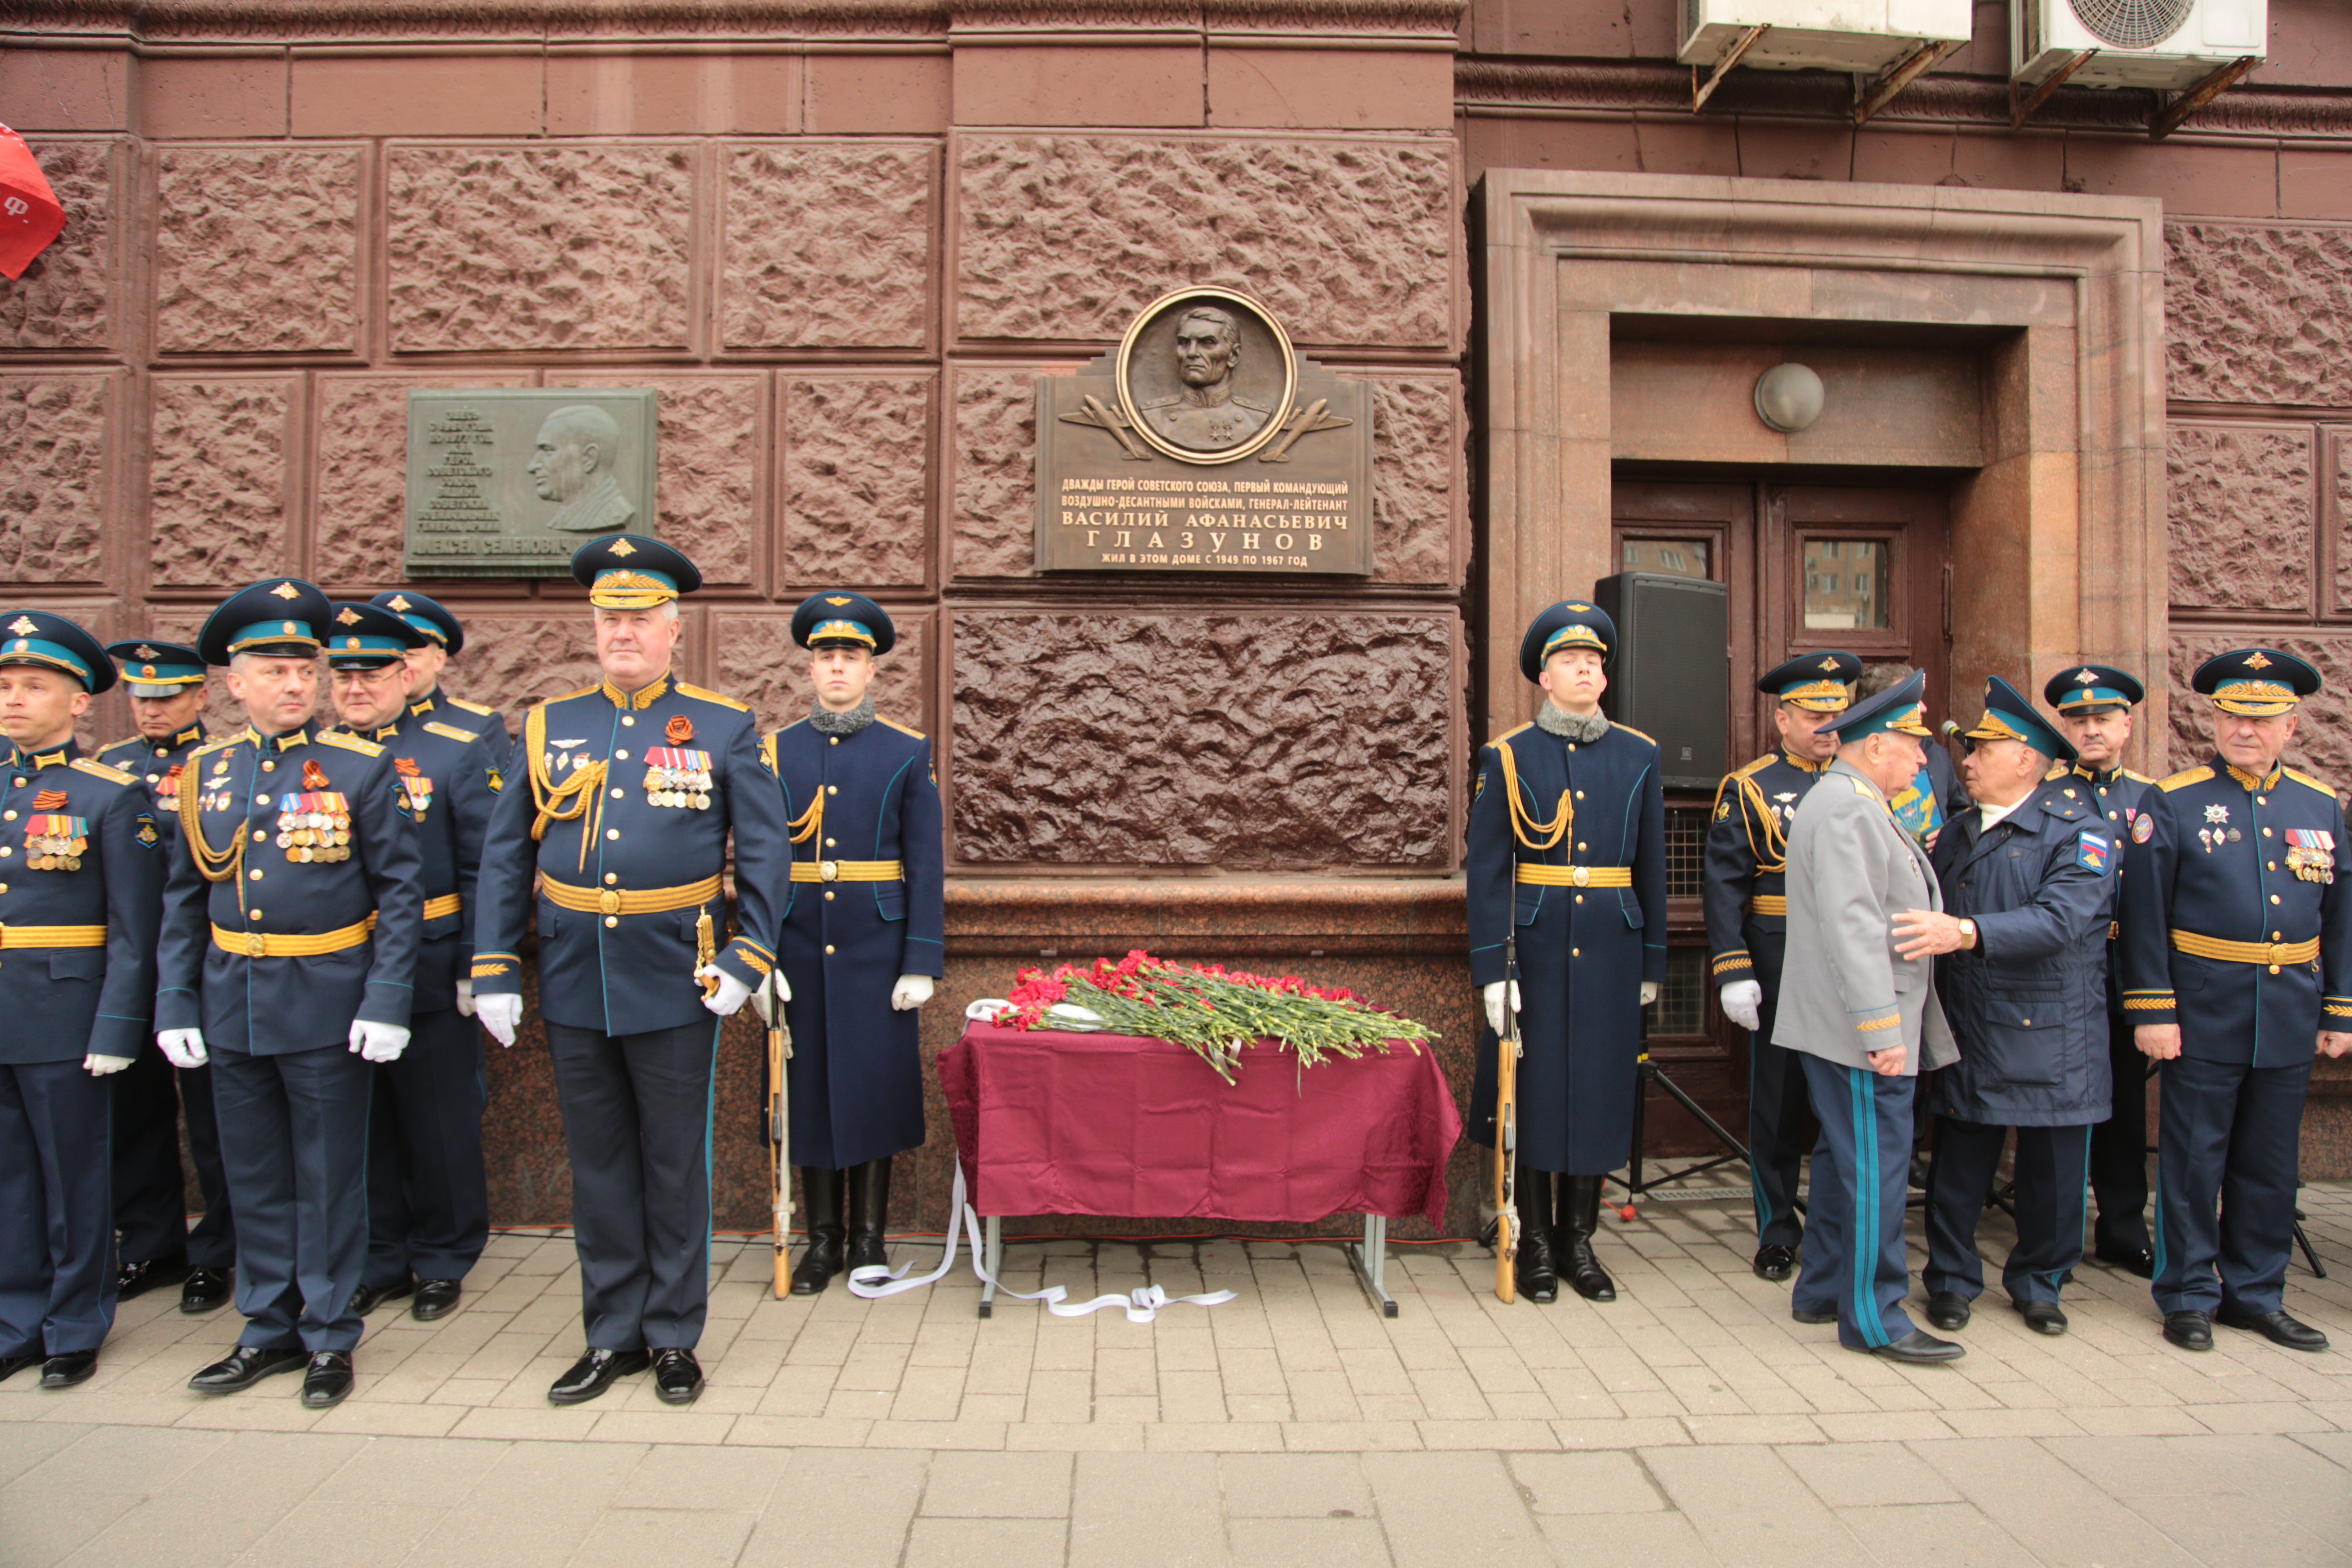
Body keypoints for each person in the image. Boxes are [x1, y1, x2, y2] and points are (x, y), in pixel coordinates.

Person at [471, 535, 785, 1406]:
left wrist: (747, 955)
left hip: (676, 974)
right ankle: (611, 1334)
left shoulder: (724, 726)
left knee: (674, 1163)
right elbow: (506, 857)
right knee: (600, 1163)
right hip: (576, 974)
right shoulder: (548, 726)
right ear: (594, 625)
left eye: (641, 619)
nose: (624, 633)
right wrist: (494, 964)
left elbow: (763, 855)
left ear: (673, 629)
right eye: (611, 618)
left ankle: (674, 1335)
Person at [158, 580, 425, 1410]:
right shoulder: (203, 773)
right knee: (254, 1175)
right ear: (233, 683)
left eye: (302, 670)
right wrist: (174, 999)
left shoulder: (359, 766)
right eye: (272, 671)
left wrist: (386, 997)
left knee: (329, 1174)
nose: (293, 685)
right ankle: (265, 1327)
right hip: (231, 998)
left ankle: (330, 1333)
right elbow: (179, 897)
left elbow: (401, 893)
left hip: (326, 1002)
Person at [2117, 647, 2351, 1354]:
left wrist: (2340, 1009)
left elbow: (2340, 916)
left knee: (2271, 1166)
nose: (2244, 731)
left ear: (2291, 725)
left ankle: (2255, 1294)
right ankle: (2188, 1294)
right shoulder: (2176, 800)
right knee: (2194, 1163)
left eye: (2262, 719)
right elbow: (2144, 916)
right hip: (2203, 1011)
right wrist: (2154, 1012)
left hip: (2286, 1013)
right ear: (2214, 721)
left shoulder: (2320, 805)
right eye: (2230, 716)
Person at [1901, 677, 2114, 1337]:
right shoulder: (1962, 829)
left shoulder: (2080, 832)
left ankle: (2041, 1283)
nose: (1965, 761)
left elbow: (2061, 920)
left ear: (2025, 758)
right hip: (1973, 1022)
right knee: (1960, 1165)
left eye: (1982, 750)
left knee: (2052, 1170)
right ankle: (1952, 1281)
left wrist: (1967, 934)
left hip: (2052, 1029)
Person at [1469, 600, 1666, 1303]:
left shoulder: (1640, 754)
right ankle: (1538, 1241)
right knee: (1541, 1097)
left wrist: (1652, 963)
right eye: (1570, 663)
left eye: (1594, 664)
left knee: (1600, 1094)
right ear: (1544, 679)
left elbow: (1651, 866)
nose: (1585, 672)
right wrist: (1494, 971)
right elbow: (1489, 871)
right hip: (1539, 949)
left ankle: (1583, 1242)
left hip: (1612, 948)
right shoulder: (1511, 754)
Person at [1776, 670, 1963, 1363]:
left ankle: (1824, 1288)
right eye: (1915, 745)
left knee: (1845, 1160)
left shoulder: (1848, 800)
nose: (1924, 760)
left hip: (1848, 1020)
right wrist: (1882, 1029)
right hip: (1860, 1026)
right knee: (1876, 1170)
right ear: (1878, 745)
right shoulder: (1850, 807)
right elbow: (1855, 926)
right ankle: (1876, 1317)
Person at [762, 592, 945, 1293]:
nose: (838, 667)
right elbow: (757, 860)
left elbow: (925, 862)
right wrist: (757, 959)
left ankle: (869, 1239)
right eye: (826, 656)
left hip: (877, 947)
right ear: (810, 668)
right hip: (797, 946)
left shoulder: (905, 751)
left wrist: (921, 960)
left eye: (852, 657)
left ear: (873, 670)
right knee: (804, 1093)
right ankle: (822, 1242)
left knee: (871, 1092)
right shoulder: (775, 750)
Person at [0, 612, 163, 1390]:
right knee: (8, 1178)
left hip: (67, 1014)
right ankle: (16, 1316)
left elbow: (136, 931)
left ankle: (73, 1324)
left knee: (73, 1179)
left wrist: (120, 1023)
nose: (14, 700)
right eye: (6, 685)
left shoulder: (108, 797)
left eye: (34, 686)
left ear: (78, 704)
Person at [325, 603, 500, 1324]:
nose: (356, 689)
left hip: (430, 961)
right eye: (344, 676)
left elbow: (487, 863)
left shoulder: (456, 746)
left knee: (437, 1120)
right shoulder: (321, 753)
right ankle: (380, 1257)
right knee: (361, 1125)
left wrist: (474, 962)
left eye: (372, 674)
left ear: (407, 673)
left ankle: (445, 1254)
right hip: (338, 968)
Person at [1706, 650, 1860, 1283]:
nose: (1827, 727)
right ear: (1783, 719)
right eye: (1813, 715)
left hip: (1852, 960)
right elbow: (1723, 884)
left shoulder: (1862, 782)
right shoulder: (1753, 787)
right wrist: (1733, 967)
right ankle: (1776, 1229)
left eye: (1838, 714)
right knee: (1778, 1101)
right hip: (1781, 954)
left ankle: (1838, 1222)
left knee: (1842, 1102)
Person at [98, 638, 234, 1314]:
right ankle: (151, 1243)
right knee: (136, 1111)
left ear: (201, 697)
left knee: (214, 1121)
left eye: (168, 696)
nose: (152, 709)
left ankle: (218, 1250)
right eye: (141, 696)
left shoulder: (220, 766)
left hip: (202, 962)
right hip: (126, 965)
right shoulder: (110, 768)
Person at [2044, 662, 2158, 1278]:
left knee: (2124, 1105)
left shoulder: (2150, 798)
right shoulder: (2048, 795)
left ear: (2126, 724)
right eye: (2078, 719)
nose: (2090, 729)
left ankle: (2121, 1226)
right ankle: (2052, 1230)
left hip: (2127, 969)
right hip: (2065, 965)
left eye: (2101, 719)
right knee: (2063, 1102)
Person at [368, 590, 506, 739]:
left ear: (438, 661)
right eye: (388, 658)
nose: (399, 666)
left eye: (409, 656)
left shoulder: (478, 726)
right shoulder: (358, 723)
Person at [1138, 305, 1274, 452]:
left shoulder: (1255, 418)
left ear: (1234, 355)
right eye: (1184, 343)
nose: (1192, 353)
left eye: (1207, 343)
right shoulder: (1154, 416)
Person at [527, 404, 636, 535]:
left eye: (548, 451)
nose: (532, 466)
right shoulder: (569, 517)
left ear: (588, 459)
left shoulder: (611, 516)